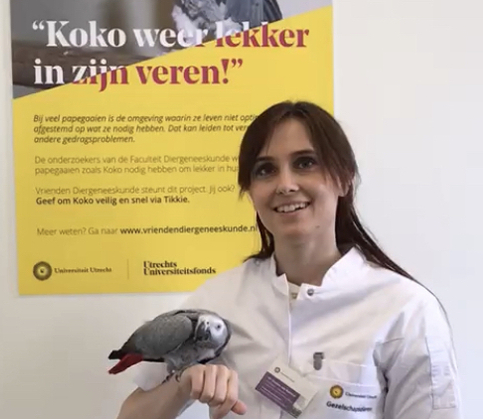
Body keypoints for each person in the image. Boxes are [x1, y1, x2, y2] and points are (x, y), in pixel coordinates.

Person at [113, 100, 463, 419]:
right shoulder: (218, 303)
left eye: (305, 163)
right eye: (265, 170)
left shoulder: (406, 311)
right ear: (250, 193)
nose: (285, 184)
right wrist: (183, 385)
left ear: (344, 179)